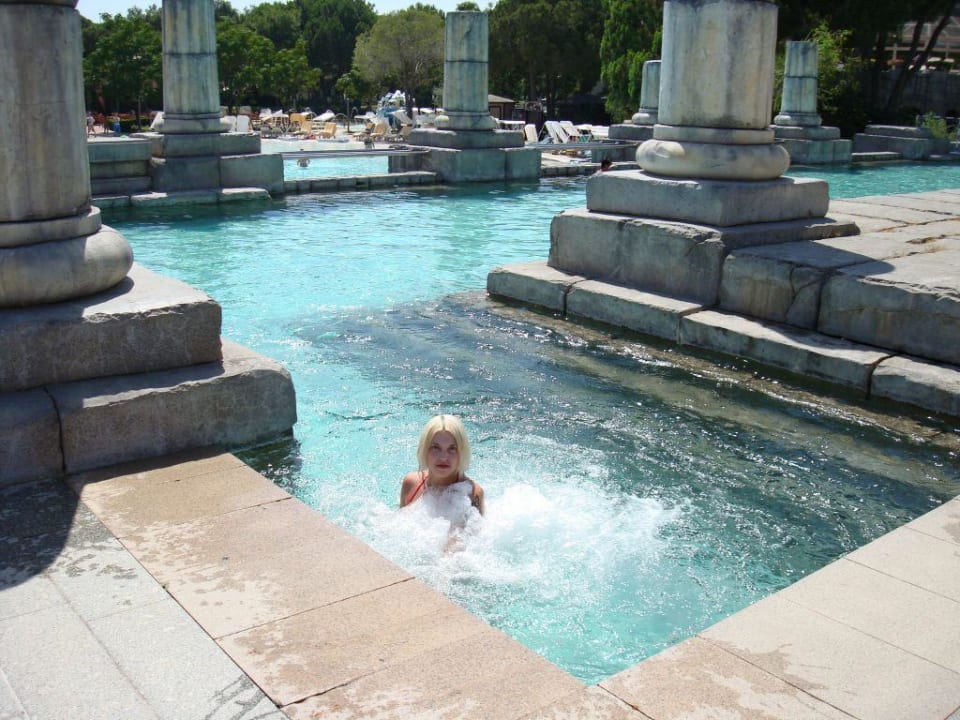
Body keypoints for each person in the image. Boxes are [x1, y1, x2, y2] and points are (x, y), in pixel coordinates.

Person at [400, 414, 485, 515]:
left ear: (461, 452)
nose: (443, 457)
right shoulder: (411, 484)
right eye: (435, 447)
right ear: (425, 450)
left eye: (452, 448)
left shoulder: (472, 494)